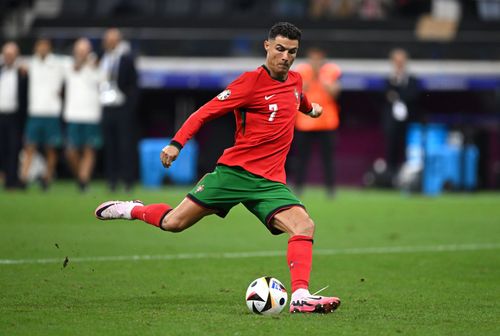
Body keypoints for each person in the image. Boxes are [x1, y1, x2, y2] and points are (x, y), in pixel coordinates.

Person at [95, 22, 341, 314]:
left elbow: (296, 97)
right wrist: (176, 144)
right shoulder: (249, 83)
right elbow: (204, 113)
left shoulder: (296, 81)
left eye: (292, 51)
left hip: (270, 182)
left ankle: (300, 295)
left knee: (304, 225)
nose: (285, 56)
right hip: (234, 174)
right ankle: (131, 209)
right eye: (279, 49)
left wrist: (311, 109)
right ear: (267, 46)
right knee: (174, 223)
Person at [294, 47, 342, 196]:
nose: (315, 61)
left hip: (326, 122)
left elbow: (335, 93)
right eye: (313, 57)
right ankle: (298, 188)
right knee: (301, 158)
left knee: (328, 159)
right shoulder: (301, 70)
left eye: (318, 57)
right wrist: (311, 77)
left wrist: (322, 78)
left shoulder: (331, 71)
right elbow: (296, 92)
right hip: (305, 122)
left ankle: (330, 190)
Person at [20, 38, 65, 190]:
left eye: (45, 46)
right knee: (29, 146)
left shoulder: (58, 64)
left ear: (50, 48)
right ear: (35, 48)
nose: (42, 49)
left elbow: (77, 64)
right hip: (35, 112)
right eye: (40, 46)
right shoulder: (30, 63)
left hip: (51, 112)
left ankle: (47, 178)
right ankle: (24, 178)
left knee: (51, 149)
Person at [99, 28, 139, 192]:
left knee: (125, 145)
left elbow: (134, 85)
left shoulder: (126, 59)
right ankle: (112, 180)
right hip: (106, 107)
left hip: (122, 108)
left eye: (113, 39)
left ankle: (128, 180)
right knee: (110, 145)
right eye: (108, 39)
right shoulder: (101, 58)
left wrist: (129, 106)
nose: (110, 42)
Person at [63, 38, 103, 192]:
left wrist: (93, 65)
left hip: (92, 114)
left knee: (89, 149)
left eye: (84, 50)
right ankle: (81, 176)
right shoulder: (67, 65)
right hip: (73, 114)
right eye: (79, 50)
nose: (82, 53)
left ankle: (83, 182)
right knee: (71, 151)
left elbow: (103, 81)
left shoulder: (96, 65)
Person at [382, 48, 420, 176]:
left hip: (408, 122)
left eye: (401, 61)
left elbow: (413, 96)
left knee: (408, 149)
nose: (399, 64)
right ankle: (391, 177)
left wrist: (397, 95)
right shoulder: (388, 80)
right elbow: (386, 97)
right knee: (392, 148)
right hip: (392, 122)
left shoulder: (412, 80)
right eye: (396, 61)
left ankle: (408, 176)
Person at [0, 42, 27, 190]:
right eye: (6, 54)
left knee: (14, 148)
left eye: (11, 54)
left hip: (14, 117)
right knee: (2, 148)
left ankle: (12, 180)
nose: (8, 57)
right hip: (0, 115)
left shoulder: (22, 72)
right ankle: (6, 178)